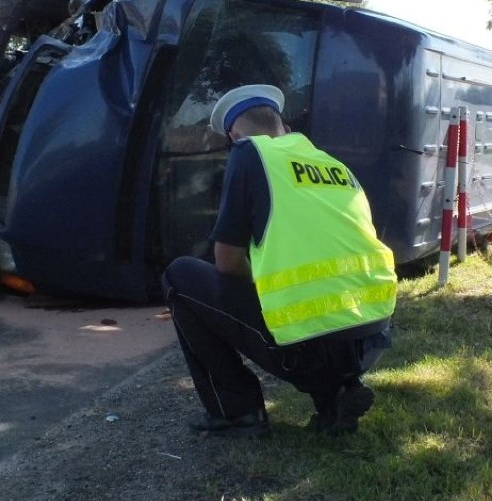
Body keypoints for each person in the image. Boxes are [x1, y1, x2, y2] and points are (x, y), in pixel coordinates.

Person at [161, 84, 397, 437]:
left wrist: (263, 279)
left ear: (234, 135)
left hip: (309, 347)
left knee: (179, 276)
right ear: (284, 129)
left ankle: (236, 410)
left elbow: (226, 262)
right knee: (313, 311)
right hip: (371, 338)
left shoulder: (249, 154)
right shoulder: (332, 164)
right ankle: (337, 393)